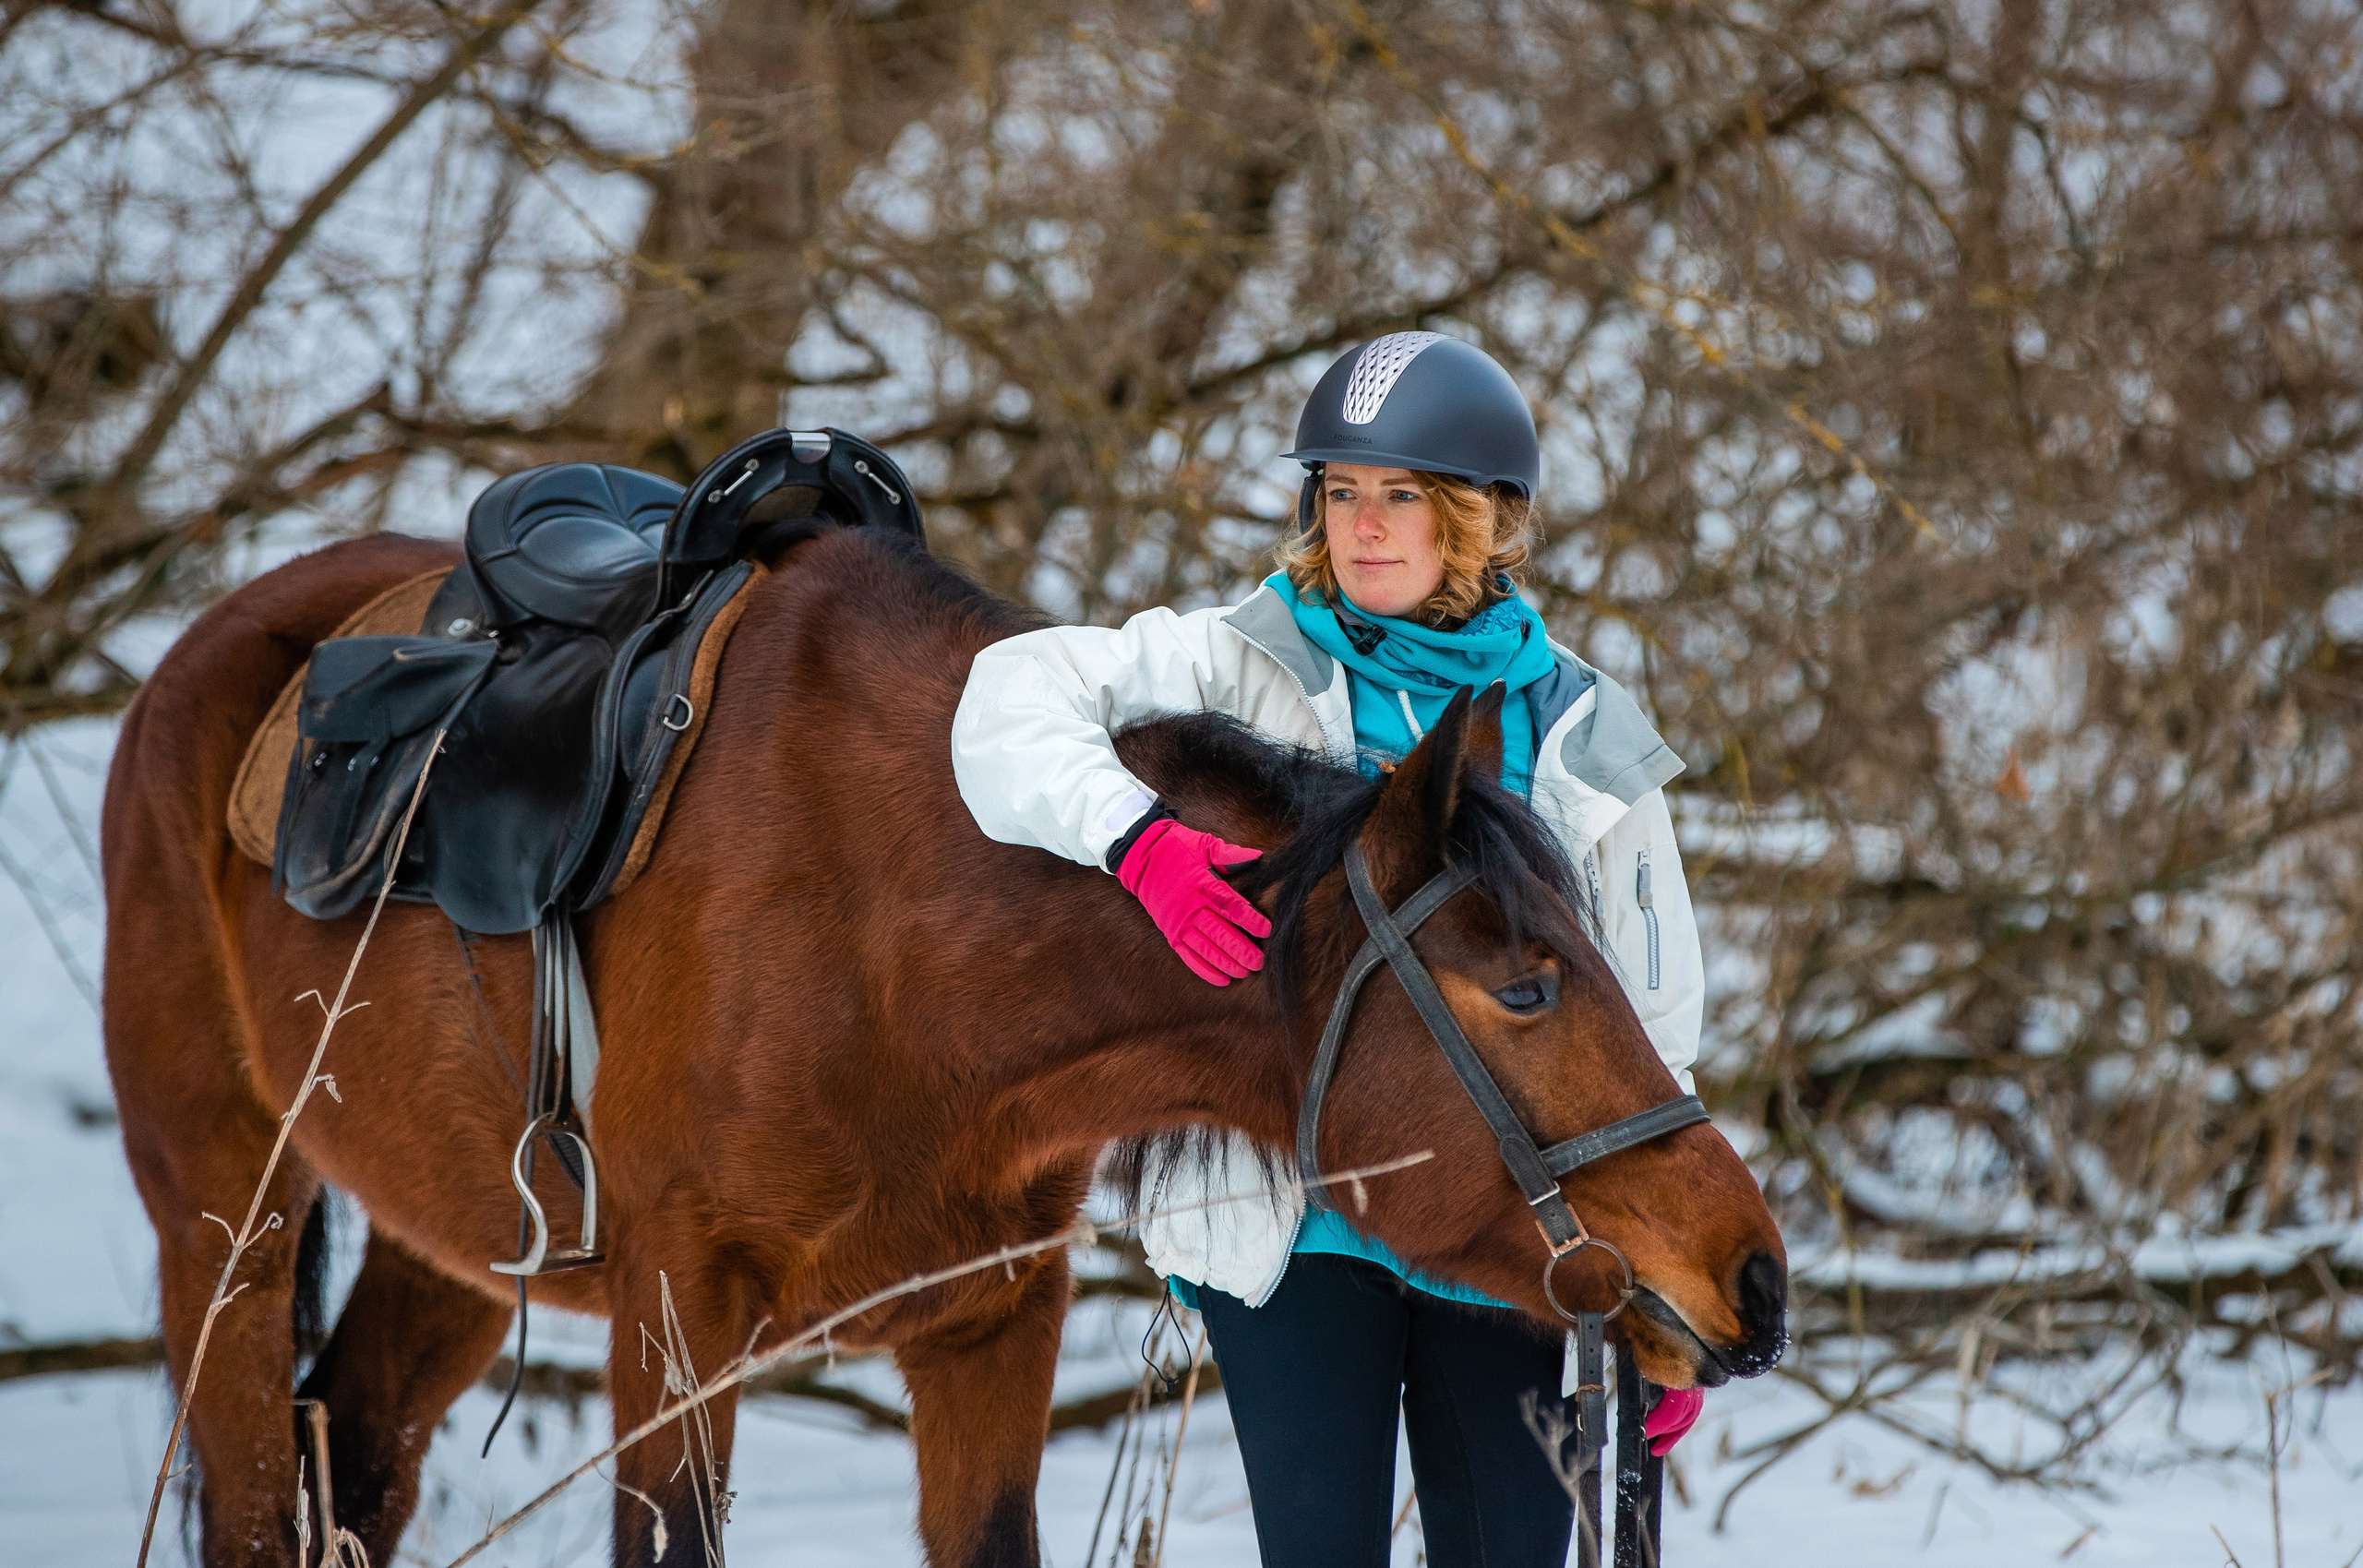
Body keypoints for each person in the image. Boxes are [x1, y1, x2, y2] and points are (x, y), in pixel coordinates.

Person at [952, 332, 1707, 1567]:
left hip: (1520, 1242)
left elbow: (1652, 1026)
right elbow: (1001, 698)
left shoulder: (1582, 731)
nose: (1365, 526)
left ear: (1475, 517)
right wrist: (1135, 840)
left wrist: (1661, 1280)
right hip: (1296, 1232)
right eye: (1341, 492)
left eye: (1403, 495)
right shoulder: (1229, 663)